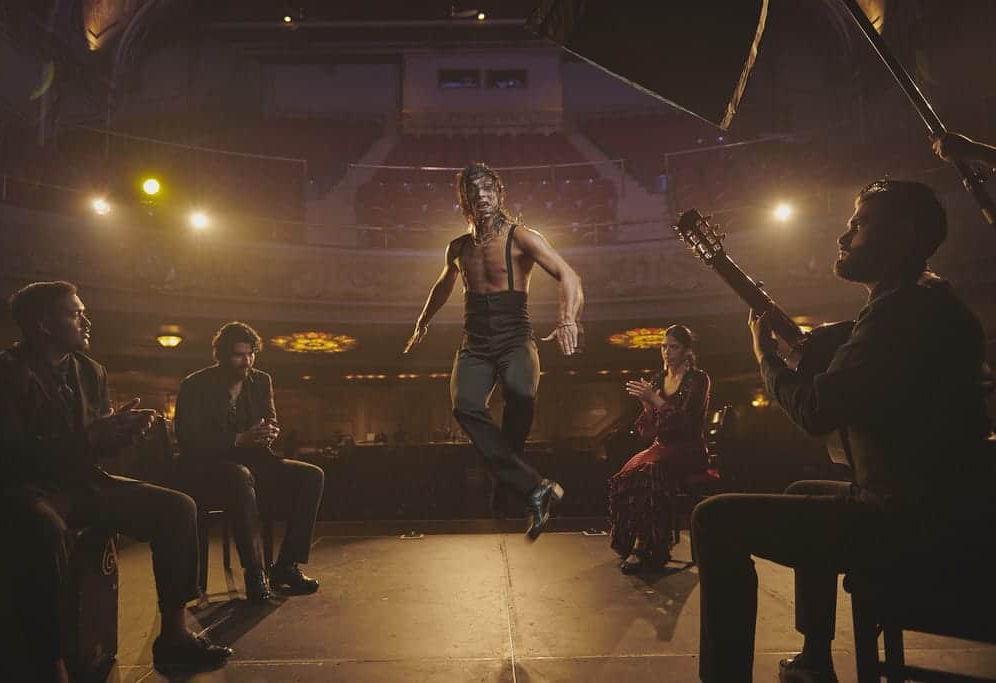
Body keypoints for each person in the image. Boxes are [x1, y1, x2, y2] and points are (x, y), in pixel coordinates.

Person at [690, 180, 994, 683]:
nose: (844, 235)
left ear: (906, 234)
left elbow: (815, 410)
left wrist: (766, 358)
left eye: (860, 223)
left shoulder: (898, 315)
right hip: (941, 503)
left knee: (713, 518)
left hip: (902, 519)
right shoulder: (927, 299)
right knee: (803, 491)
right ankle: (814, 655)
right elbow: (859, 347)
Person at [0, 281, 232, 681]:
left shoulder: (90, 371)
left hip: (84, 484)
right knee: (43, 530)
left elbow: (95, 448)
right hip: (27, 490)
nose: (86, 320)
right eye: (75, 313)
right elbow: (6, 459)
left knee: (178, 506)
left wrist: (120, 433)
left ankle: (175, 636)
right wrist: (90, 437)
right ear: (43, 323)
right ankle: (51, 665)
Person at [404, 162, 584, 540]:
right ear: (465, 199)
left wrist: (567, 319)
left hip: (515, 336)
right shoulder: (457, 247)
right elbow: (442, 286)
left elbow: (569, 275)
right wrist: (423, 320)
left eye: (489, 190)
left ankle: (512, 490)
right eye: (475, 191)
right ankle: (535, 488)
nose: (482, 196)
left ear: (499, 194)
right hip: (475, 342)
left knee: (520, 399)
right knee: (464, 404)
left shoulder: (522, 237)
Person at [175, 322, 324, 602]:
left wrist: (270, 432)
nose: (247, 362)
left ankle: (286, 566)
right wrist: (237, 439)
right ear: (220, 356)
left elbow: (270, 418)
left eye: (251, 354)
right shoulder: (195, 385)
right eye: (238, 355)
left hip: (255, 463)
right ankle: (254, 571)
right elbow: (188, 438)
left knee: (312, 475)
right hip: (208, 468)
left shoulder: (261, 380)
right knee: (239, 475)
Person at [608, 324, 710, 573]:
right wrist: (646, 406)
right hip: (661, 446)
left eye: (673, 347)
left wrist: (655, 399)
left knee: (650, 471)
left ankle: (647, 547)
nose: (666, 352)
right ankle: (630, 541)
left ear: (687, 351)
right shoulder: (657, 379)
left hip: (689, 449)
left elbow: (686, 424)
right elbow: (647, 433)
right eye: (664, 346)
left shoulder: (698, 379)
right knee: (626, 474)